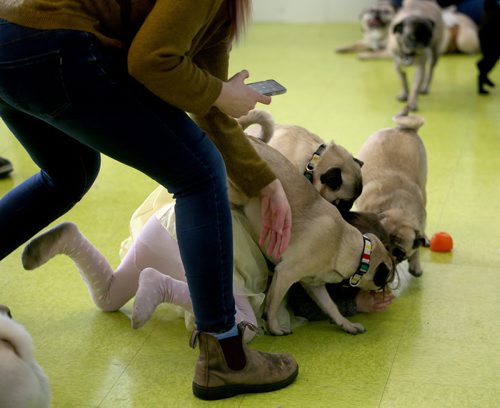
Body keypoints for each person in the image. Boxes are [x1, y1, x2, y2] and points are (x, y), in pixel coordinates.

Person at [0, 1, 297, 400]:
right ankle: (226, 355)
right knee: (200, 175)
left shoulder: (221, 13)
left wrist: (264, 181)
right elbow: (151, 60)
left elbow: (208, 105)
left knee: (70, 173)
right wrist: (220, 93)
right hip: (52, 42)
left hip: (10, 38)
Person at [22, 192, 395, 344]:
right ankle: (165, 287)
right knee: (243, 329)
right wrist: (352, 305)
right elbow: (298, 301)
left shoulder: (305, 209)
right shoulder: (318, 256)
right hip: (210, 249)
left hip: (169, 221)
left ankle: (73, 240)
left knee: (108, 297)